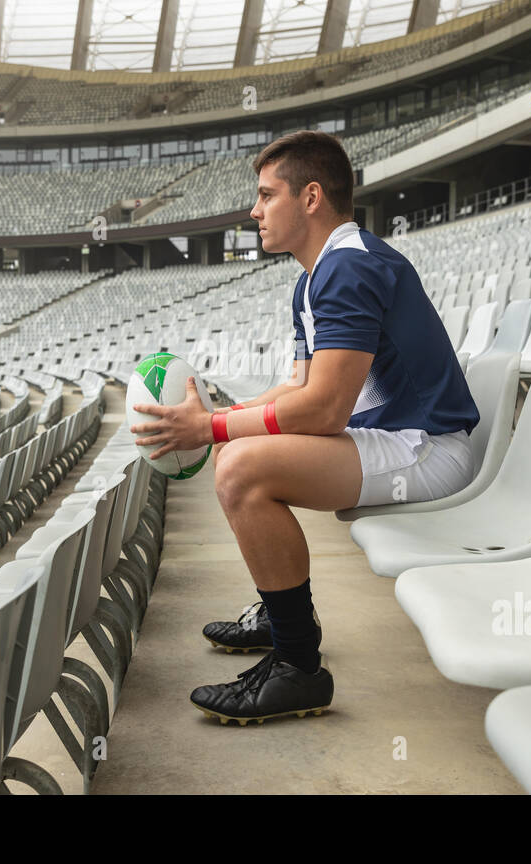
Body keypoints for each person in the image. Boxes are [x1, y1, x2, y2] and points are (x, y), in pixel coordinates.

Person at [129, 130, 479, 724]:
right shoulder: (314, 277)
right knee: (237, 451)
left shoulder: (349, 267)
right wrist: (225, 424)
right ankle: (284, 614)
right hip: (393, 439)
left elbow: (323, 412)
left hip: (429, 449)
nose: (254, 210)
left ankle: (299, 668)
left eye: (267, 195)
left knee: (240, 466)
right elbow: (296, 389)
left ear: (310, 197)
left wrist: (213, 426)